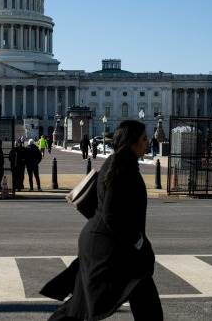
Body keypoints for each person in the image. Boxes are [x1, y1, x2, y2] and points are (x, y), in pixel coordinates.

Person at [42, 120, 162, 320]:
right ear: (132, 142)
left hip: (107, 243)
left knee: (89, 302)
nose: (147, 142)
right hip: (108, 247)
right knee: (86, 304)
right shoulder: (122, 169)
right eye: (144, 138)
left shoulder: (121, 164)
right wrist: (139, 243)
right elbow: (112, 215)